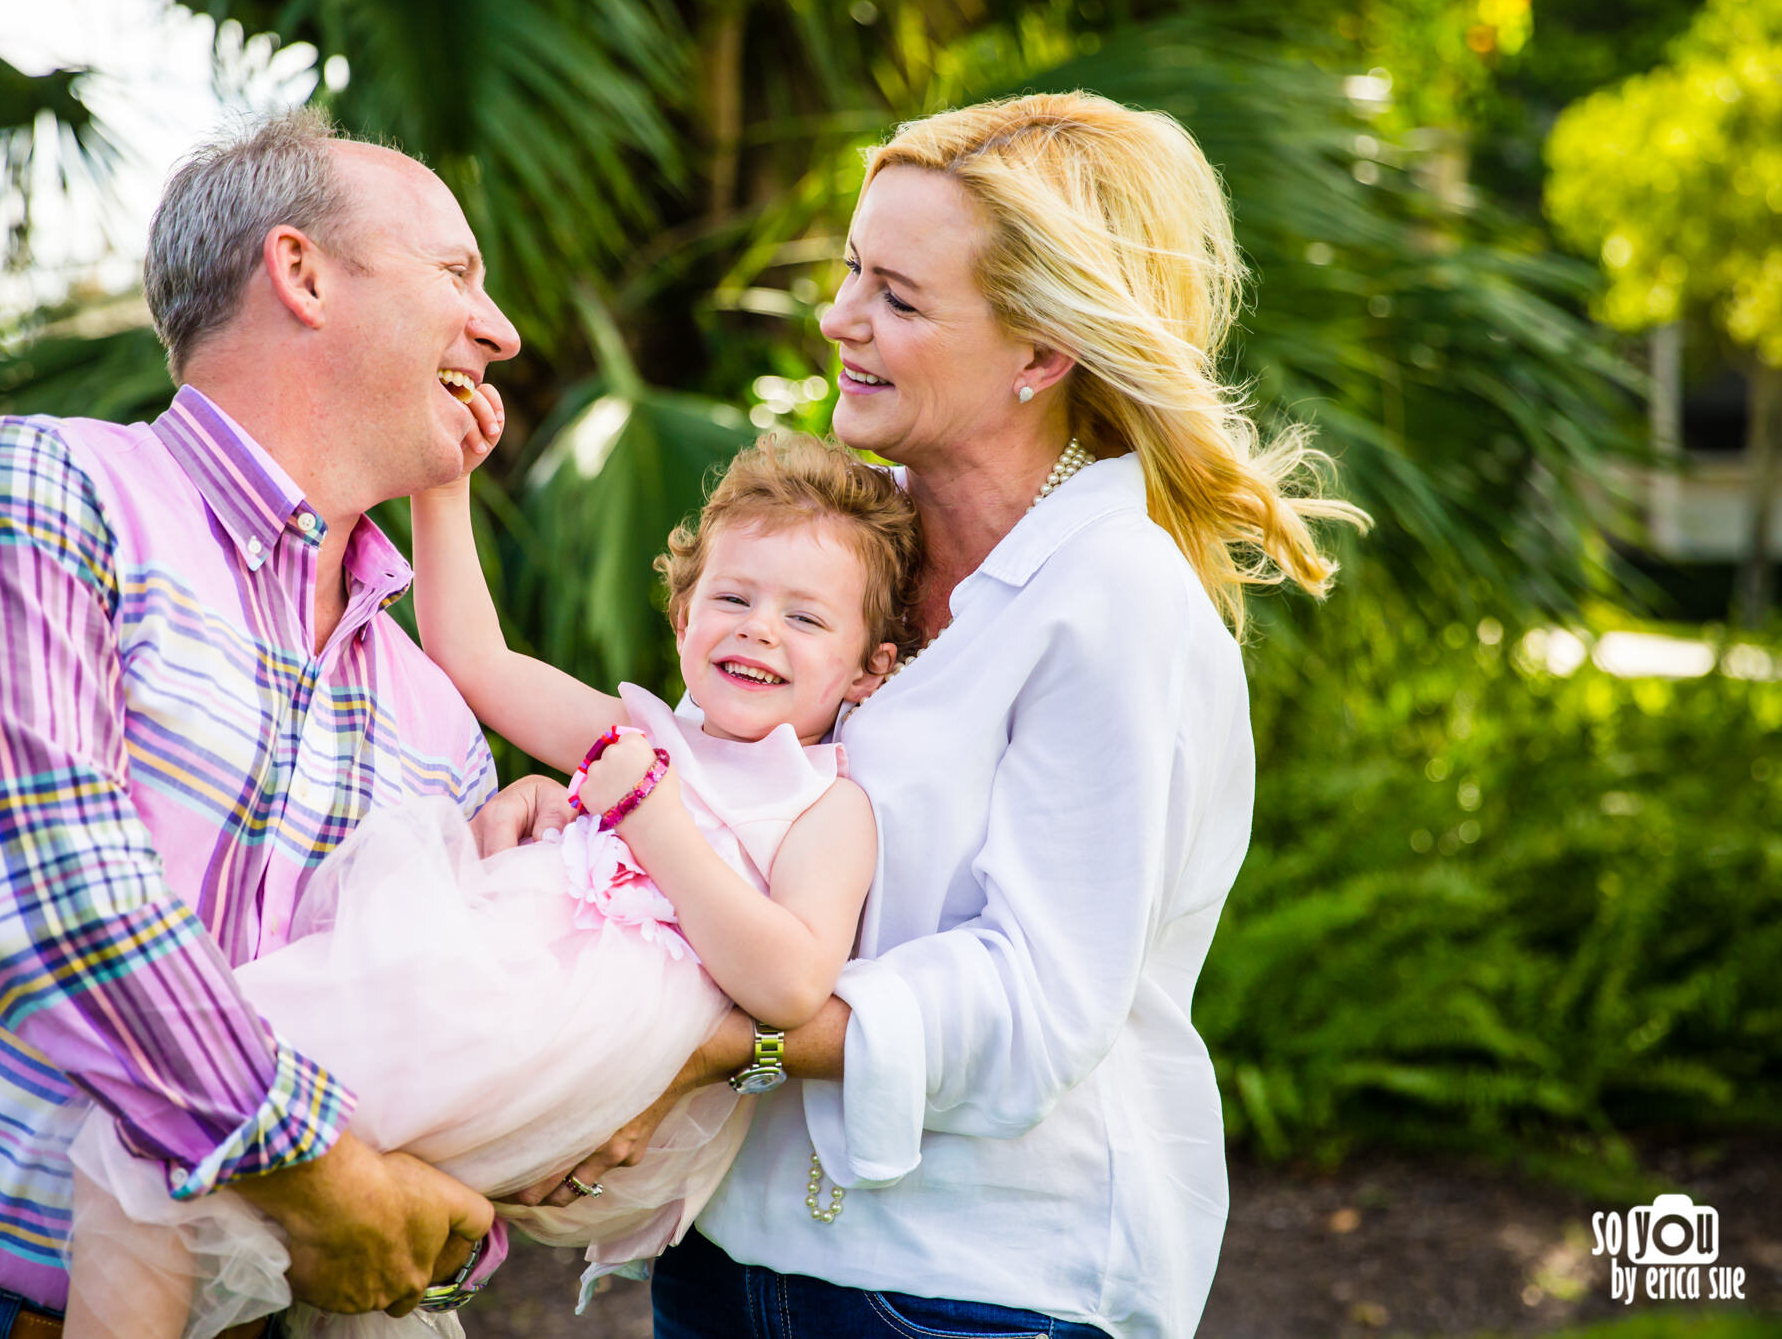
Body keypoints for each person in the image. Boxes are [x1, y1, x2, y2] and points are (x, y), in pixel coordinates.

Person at [526, 91, 1368, 1339]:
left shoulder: (1112, 598)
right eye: (851, 271)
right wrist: (576, 822)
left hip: (971, 1289)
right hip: (728, 1255)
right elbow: (736, 815)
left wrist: (709, 1046)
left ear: (1039, 354)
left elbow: (1031, 1004)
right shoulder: (839, 540)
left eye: (897, 297)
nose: (837, 318)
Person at [0, 109, 582, 1337]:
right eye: (456, 274)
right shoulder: (35, 489)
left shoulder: (438, 717)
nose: (498, 330)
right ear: (299, 273)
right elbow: (41, 884)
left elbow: (416, 1071)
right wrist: (317, 1171)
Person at [62, 432, 924, 1338]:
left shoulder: (824, 803)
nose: (757, 627)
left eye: (806, 617)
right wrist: (445, 490)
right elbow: (477, 661)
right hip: (490, 988)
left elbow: (790, 983)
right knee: (186, 1136)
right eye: (733, 596)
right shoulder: (640, 732)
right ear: (682, 619)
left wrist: (653, 819)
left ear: (871, 666)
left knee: (166, 1128)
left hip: (589, 1036)